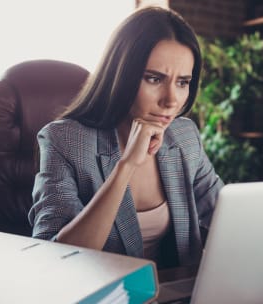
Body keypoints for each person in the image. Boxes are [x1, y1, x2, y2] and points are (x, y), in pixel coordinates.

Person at [28, 6, 224, 269]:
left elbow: (224, 217)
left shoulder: (184, 136)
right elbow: (55, 258)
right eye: (154, 79)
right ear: (121, 75)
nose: (171, 100)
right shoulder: (64, 141)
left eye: (182, 82)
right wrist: (126, 167)